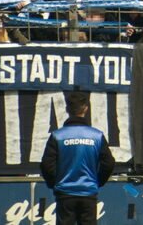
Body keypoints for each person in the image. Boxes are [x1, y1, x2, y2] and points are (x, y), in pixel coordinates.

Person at [40, 92, 115, 225]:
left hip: (65, 193)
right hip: (88, 193)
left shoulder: (58, 136)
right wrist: (97, 182)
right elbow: (108, 163)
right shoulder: (96, 135)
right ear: (85, 108)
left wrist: (55, 184)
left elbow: (47, 165)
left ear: (67, 109)